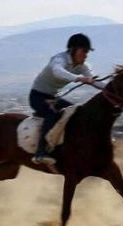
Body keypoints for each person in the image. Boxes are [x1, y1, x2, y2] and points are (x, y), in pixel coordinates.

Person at [29, 34, 105, 165]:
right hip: (37, 96)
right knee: (51, 114)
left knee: (75, 112)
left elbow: (95, 82)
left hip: (52, 98)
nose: (86, 55)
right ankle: (41, 153)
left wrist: (115, 88)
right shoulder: (59, 59)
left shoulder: (82, 66)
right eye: (84, 51)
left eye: (87, 52)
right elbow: (58, 71)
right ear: (73, 50)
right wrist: (79, 78)